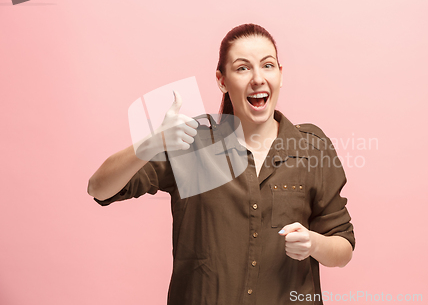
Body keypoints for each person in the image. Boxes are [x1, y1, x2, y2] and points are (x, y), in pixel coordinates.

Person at [87, 23, 355, 305]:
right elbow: (99, 188)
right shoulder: (191, 142)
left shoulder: (311, 146)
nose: (257, 78)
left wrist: (314, 243)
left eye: (267, 65)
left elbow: (343, 247)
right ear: (221, 80)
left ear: (280, 74)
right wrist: (152, 143)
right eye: (242, 68)